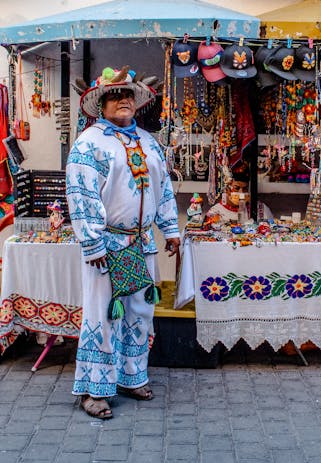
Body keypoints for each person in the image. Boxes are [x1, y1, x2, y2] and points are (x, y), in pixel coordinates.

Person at [66, 66, 180, 419]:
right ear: (101, 103)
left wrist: (171, 228)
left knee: (141, 313)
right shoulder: (89, 143)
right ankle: (94, 389)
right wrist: (92, 243)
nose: (124, 100)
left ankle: (132, 376)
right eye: (116, 95)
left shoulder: (149, 142)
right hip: (108, 245)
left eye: (129, 95)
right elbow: (81, 195)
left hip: (142, 243)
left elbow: (163, 189)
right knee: (102, 316)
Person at [205, 163, 273, 223]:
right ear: (226, 190)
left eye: (245, 189)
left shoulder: (260, 208)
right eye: (236, 188)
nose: (241, 193)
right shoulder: (215, 211)